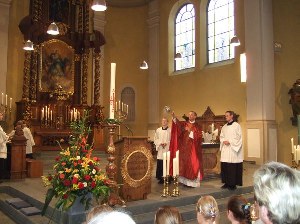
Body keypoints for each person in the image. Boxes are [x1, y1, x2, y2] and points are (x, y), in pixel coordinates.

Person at [170, 111, 203, 187]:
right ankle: (184, 182)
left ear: (195, 116)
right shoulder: (185, 124)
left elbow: (199, 136)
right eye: (189, 115)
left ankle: (192, 182)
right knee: (183, 164)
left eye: (192, 115)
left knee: (193, 164)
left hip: (193, 149)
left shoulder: (198, 126)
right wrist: (174, 117)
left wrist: (190, 131)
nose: (190, 116)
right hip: (184, 148)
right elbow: (178, 126)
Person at [219, 110, 243, 190]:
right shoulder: (224, 126)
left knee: (232, 167)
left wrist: (230, 142)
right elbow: (221, 136)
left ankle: (233, 184)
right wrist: (223, 141)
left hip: (233, 149)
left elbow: (239, 137)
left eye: (227, 115)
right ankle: (226, 182)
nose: (226, 117)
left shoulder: (237, 126)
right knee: (225, 166)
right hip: (226, 149)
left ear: (232, 116)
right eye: (225, 116)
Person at [154, 117, 171, 184]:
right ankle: (161, 178)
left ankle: (168, 178)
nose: (164, 122)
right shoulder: (158, 130)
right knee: (161, 163)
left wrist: (166, 143)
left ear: (167, 122)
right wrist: (160, 143)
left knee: (167, 163)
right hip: (160, 148)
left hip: (167, 148)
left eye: (165, 121)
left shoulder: (170, 130)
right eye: (163, 121)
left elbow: (172, 139)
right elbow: (155, 138)